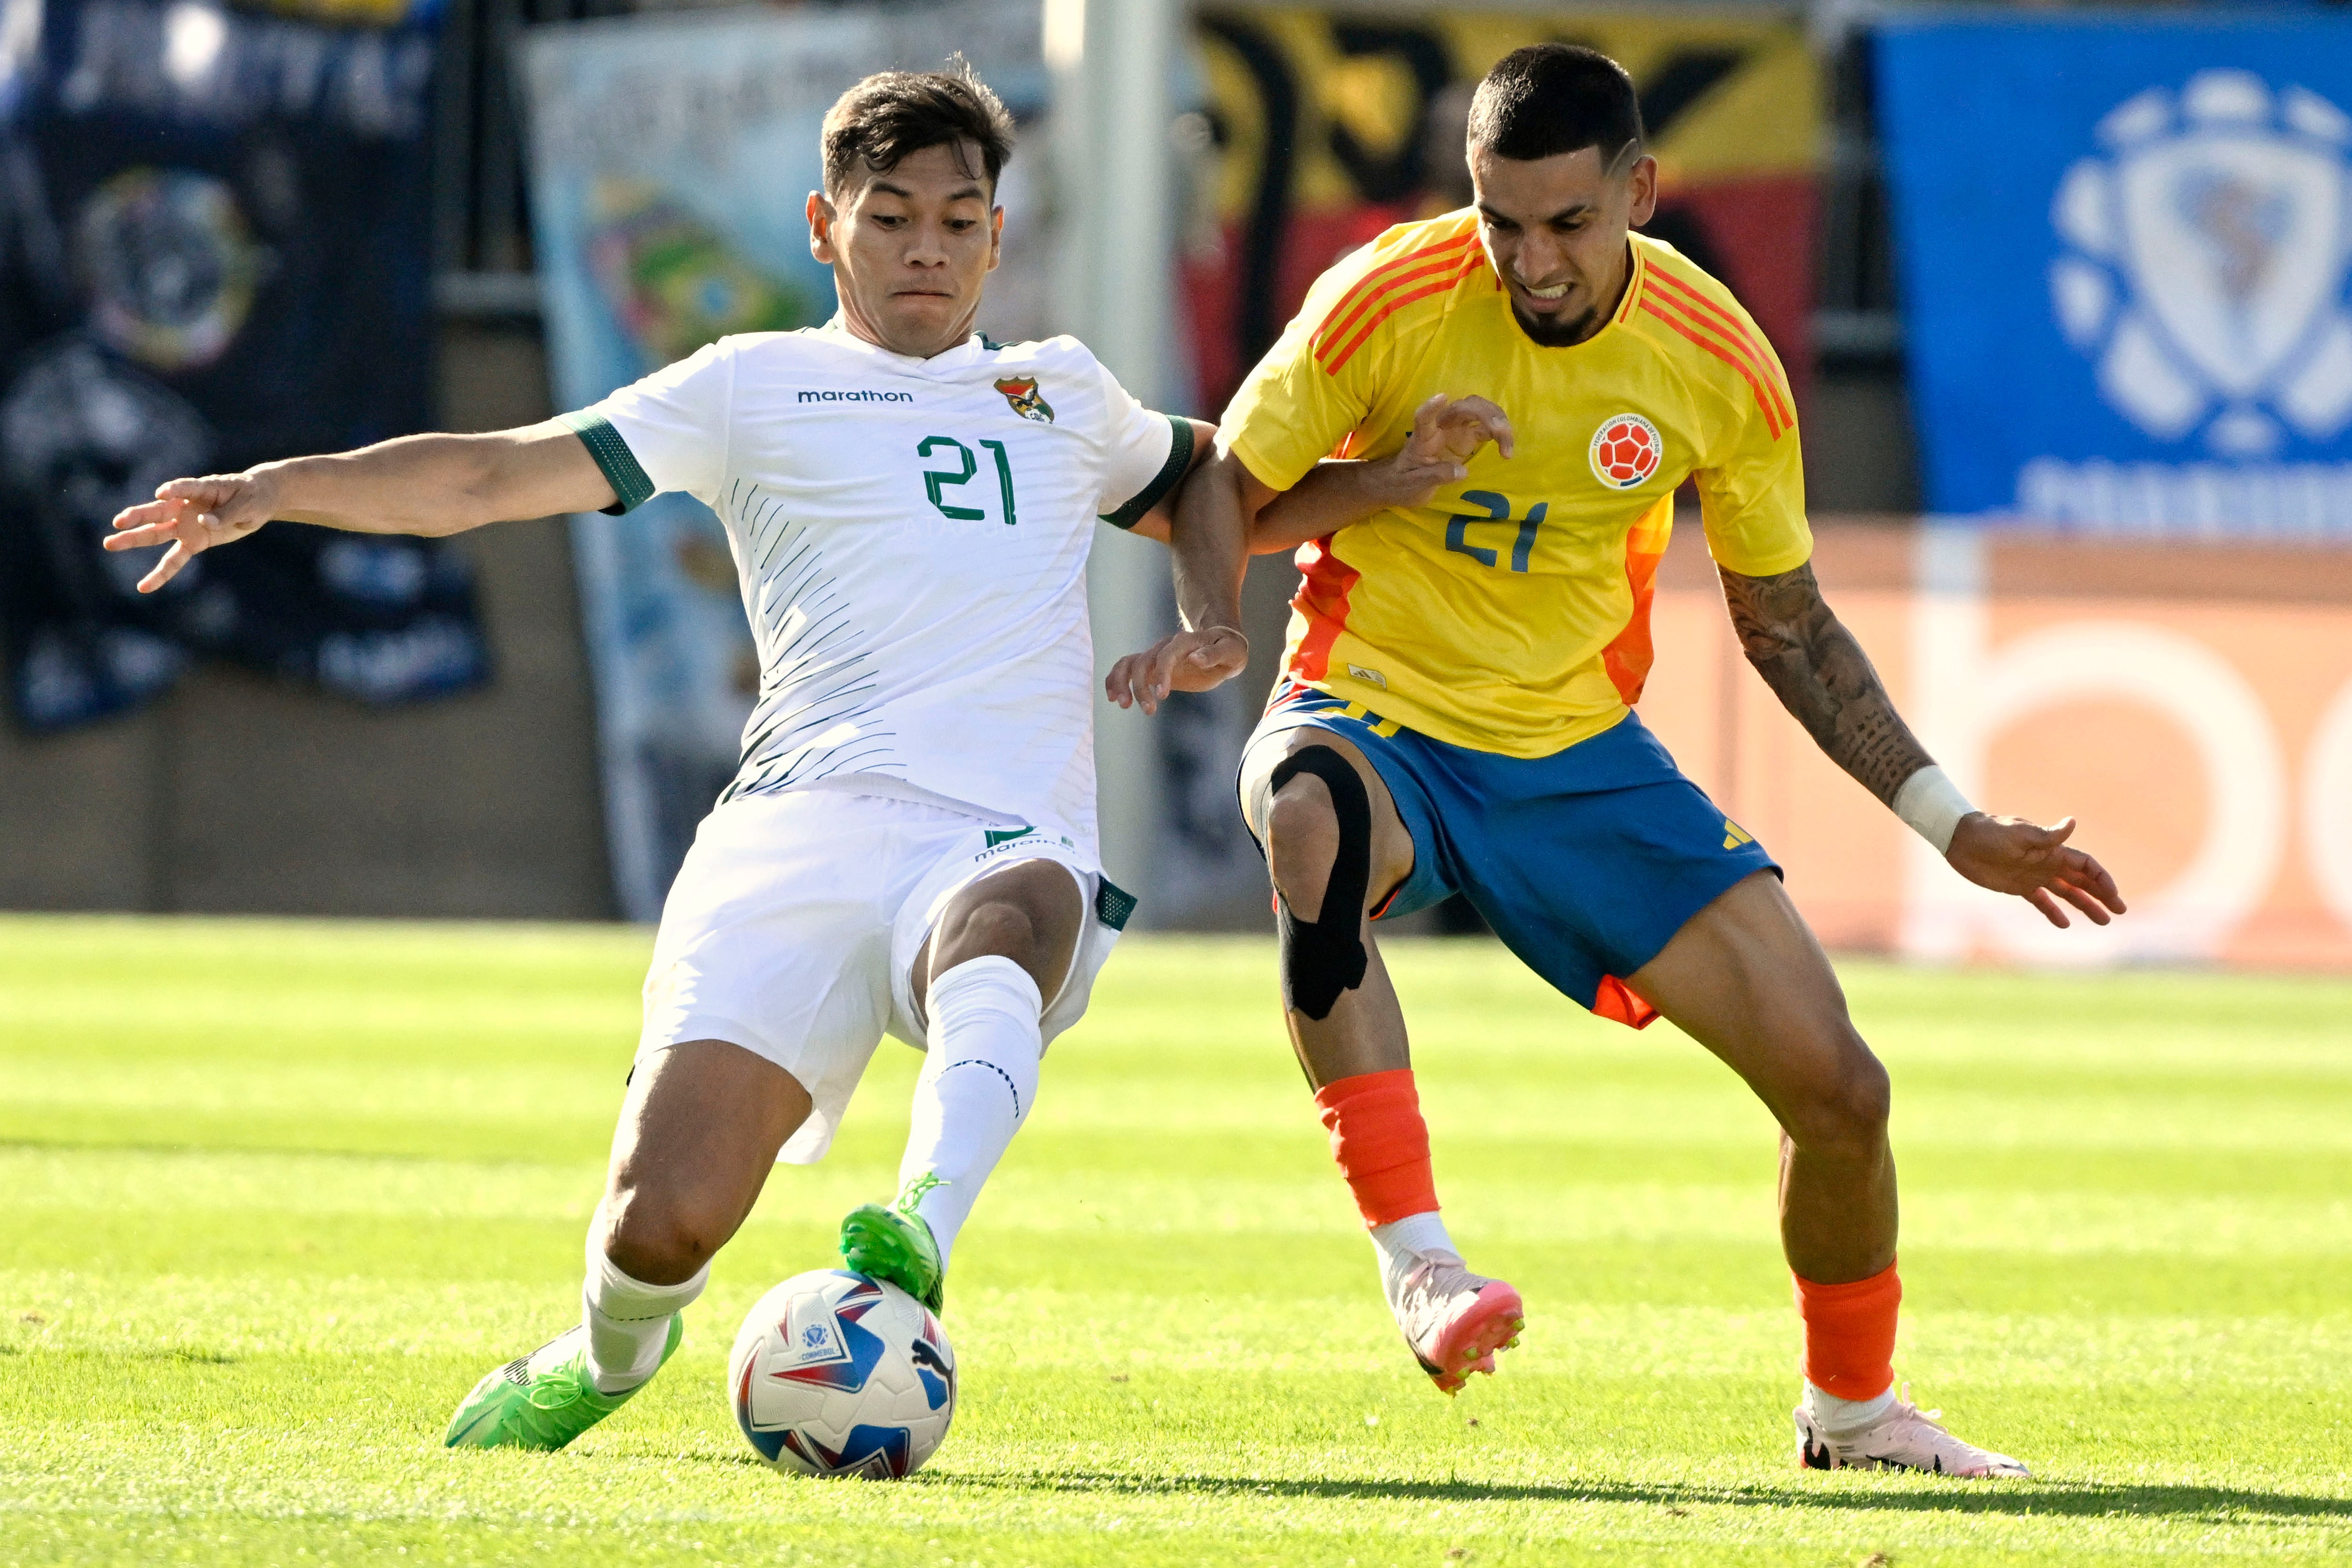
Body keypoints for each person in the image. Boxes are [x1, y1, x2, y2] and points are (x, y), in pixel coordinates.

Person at [105, 62, 1249, 1455]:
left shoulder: (1058, 391)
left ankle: (917, 1234)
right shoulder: (750, 385)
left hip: (1003, 830)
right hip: (799, 836)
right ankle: (601, 1359)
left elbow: (1209, 475)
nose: (929, 249)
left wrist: (1213, 619)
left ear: (999, 239)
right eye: (892, 218)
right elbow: (489, 474)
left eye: (960, 219)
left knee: (1008, 930)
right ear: (827, 228)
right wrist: (274, 491)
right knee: (664, 1221)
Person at [1155, 43, 2126, 1477]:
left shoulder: (1717, 358)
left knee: (1845, 1096)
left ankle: (1853, 1414)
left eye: (1566, 223)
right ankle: (1421, 1262)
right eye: (1501, 222)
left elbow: (1785, 626)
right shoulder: (1387, 300)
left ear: (1641, 193)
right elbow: (1220, 490)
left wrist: (1949, 821)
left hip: (1579, 758)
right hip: (1372, 708)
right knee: (1310, 823)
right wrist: (1224, 614)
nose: (1531, 262)